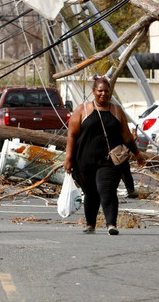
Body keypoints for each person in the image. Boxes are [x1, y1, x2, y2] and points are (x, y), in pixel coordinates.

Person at [63, 76, 144, 235]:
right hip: (84, 160)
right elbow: (72, 136)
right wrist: (68, 159)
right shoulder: (82, 110)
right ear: (94, 91)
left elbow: (127, 136)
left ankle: (111, 224)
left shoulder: (116, 110)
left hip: (109, 160)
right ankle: (90, 224)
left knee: (106, 189)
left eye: (107, 91)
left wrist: (137, 153)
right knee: (90, 192)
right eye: (100, 90)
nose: (103, 94)